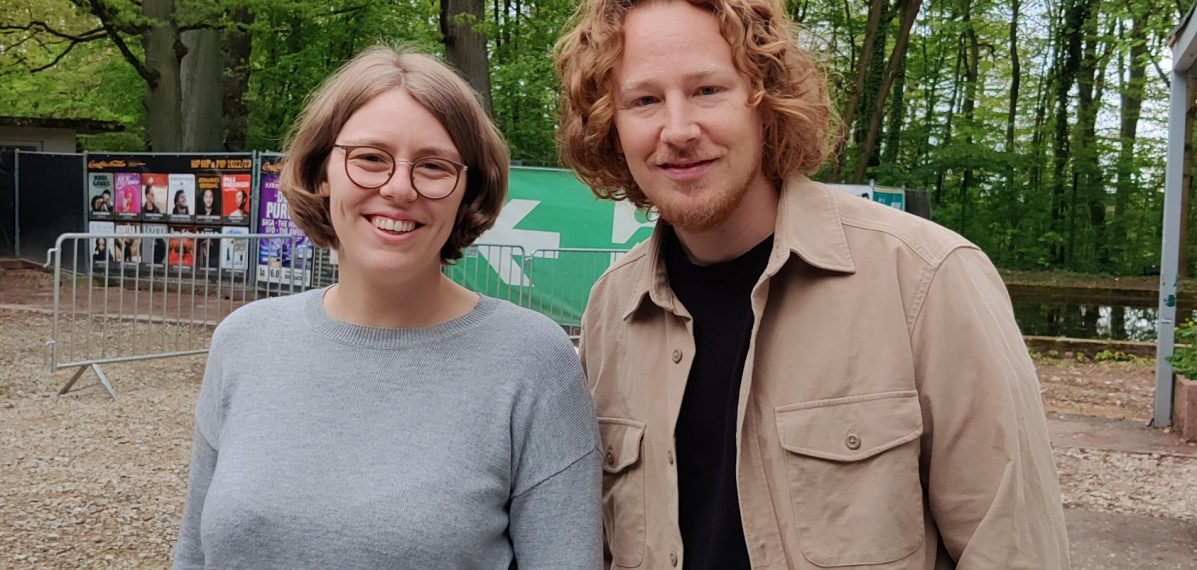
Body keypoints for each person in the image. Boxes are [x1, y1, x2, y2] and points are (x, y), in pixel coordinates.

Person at [555, 0, 1070, 568]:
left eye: (707, 90)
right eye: (645, 100)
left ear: (766, 102)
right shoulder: (613, 311)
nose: (678, 130)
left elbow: (1013, 547)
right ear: (611, 125)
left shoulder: (926, 278)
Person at [173, 46, 602, 569]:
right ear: (321, 172)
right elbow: (194, 554)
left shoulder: (532, 360)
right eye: (371, 158)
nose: (399, 188)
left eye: (434, 166)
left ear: (468, 191)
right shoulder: (245, 341)